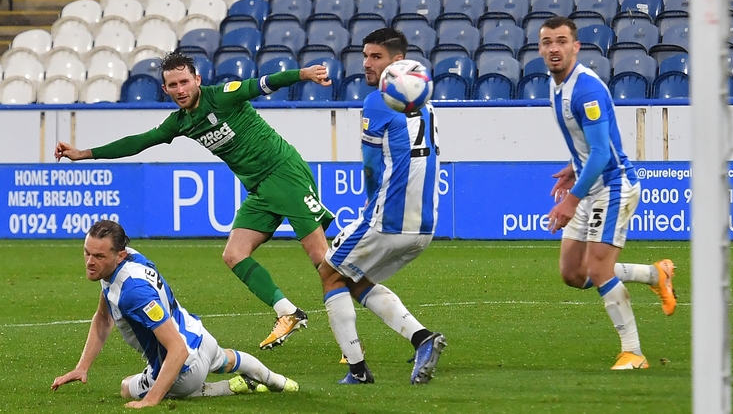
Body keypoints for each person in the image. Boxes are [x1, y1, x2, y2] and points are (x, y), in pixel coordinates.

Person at [54, 52, 335, 350]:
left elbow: (265, 83)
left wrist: (303, 74)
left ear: (197, 80)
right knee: (234, 254)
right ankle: (287, 312)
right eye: (173, 85)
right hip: (259, 188)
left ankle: (351, 343)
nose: (180, 90)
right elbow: (138, 142)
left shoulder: (223, 96)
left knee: (323, 260)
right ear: (165, 89)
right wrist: (84, 153)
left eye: (185, 82)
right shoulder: (181, 121)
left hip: (284, 175)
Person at [538, 17, 677, 370]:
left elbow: (602, 153)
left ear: (576, 46)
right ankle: (654, 275)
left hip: (613, 187)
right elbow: (589, 147)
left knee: (599, 270)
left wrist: (571, 199)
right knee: (573, 274)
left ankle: (633, 352)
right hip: (591, 185)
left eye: (561, 41)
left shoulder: (586, 90)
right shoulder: (556, 84)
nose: (554, 48)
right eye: (547, 42)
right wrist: (574, 167)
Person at [315, 28, 446, 385]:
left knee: (329, 273)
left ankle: (358, 371)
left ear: (398, 63)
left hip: (388, 219)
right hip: (424, 225)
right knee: (353, 278)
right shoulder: (427, 103)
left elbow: (371, 168)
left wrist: (371, 207)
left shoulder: (377, 102)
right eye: (365, 56)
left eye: (376, 57)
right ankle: (422, 340)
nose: (367, 64)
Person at [51, 220, 299, 408]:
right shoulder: (126, 260)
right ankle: (277, 381)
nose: (90, 261)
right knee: (226, 360)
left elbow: (177, 350)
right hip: (201, 337)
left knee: (127, 387)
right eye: (87, 252)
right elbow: (103, 318)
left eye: (98, 256)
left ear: (119, 255)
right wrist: (82, 367)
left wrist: (151, 400)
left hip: (183, 368)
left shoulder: (133, 293)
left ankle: (223, 389)